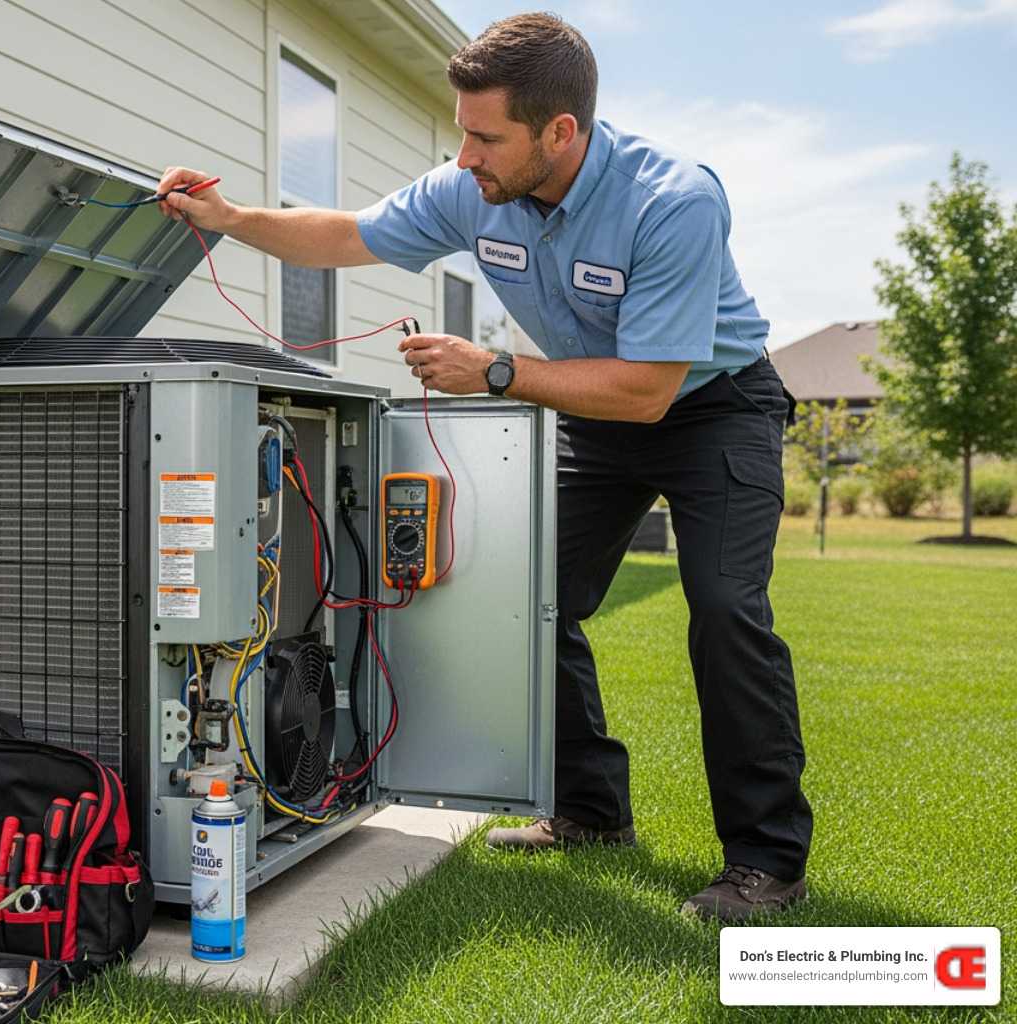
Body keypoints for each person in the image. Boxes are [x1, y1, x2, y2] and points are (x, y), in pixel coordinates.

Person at [157, 12, 811, 920]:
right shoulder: (477, 187)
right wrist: (228, 219)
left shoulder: (673, 200)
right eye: (462, 129)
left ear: (561, 132)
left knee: (726, 608)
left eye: (484, 134)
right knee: (528, 598)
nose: (464, 154)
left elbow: (650, 391)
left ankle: (767, 861)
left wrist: (495, 371)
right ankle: (589, 812)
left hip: (714, 407)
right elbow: (347, 233)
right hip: (592, 404)